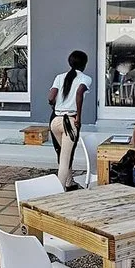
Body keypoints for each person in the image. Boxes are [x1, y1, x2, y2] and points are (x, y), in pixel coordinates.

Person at [48, 50, 91, 190]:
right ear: (84, 64)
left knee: (63, 153)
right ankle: (59, 190)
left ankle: (69, 182)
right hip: (70, 122)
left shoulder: (59, 77)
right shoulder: (85, 78)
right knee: (65, 158)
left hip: (55, 120)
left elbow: (51, 97)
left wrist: (56, 106)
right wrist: (79, 117)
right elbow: (79, 93)